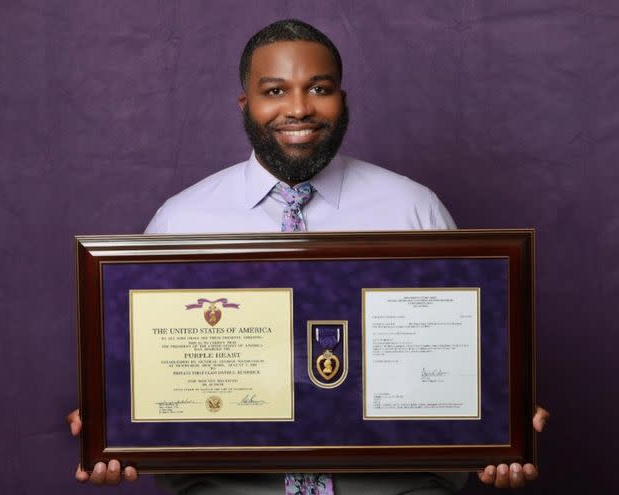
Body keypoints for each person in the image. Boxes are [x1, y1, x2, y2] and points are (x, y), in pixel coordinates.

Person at [67, 19, 549, 493]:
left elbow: (469, 355)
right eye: (275, 91)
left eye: (319, 88)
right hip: (229, 485)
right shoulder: (181, 220)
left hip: (396, 483)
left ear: (343, 101)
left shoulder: (414, 208)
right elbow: (144, 368)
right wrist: (111, 423)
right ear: (245, 104)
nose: (298, 109)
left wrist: (504, 425)